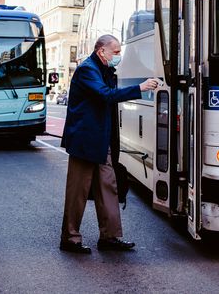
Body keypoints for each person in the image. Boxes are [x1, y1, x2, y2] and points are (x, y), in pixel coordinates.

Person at [60, 34, 159, 254]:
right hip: (85, 143)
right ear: (101, 51)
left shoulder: (104, 70)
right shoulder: (88, 69)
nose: (119, 56)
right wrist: (139, 88)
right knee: (78, 192)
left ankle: (110, 237)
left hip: (100, 141)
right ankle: (70, 238)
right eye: (115, 52)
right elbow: (106, 95)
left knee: (108, 188)